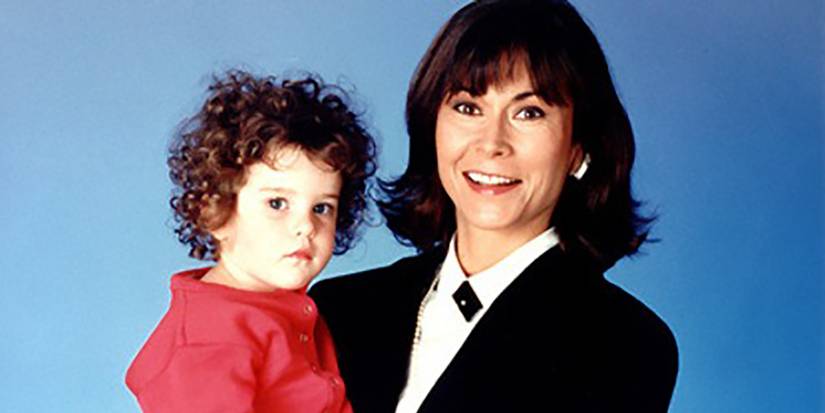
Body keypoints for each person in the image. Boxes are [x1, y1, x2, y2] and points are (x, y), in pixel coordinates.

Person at [309, 1, 678, 412]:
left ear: (578, 147)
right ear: (432, 126)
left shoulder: (626, 347)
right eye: (468, 107)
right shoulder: (340, 310)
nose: (491, 143)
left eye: (529, 113)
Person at [126, 70, 376, 412]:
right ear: (215, 214)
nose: (305, 226)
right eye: (277, 203)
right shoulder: (206, 340)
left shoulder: (292, 312)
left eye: (321, 208)